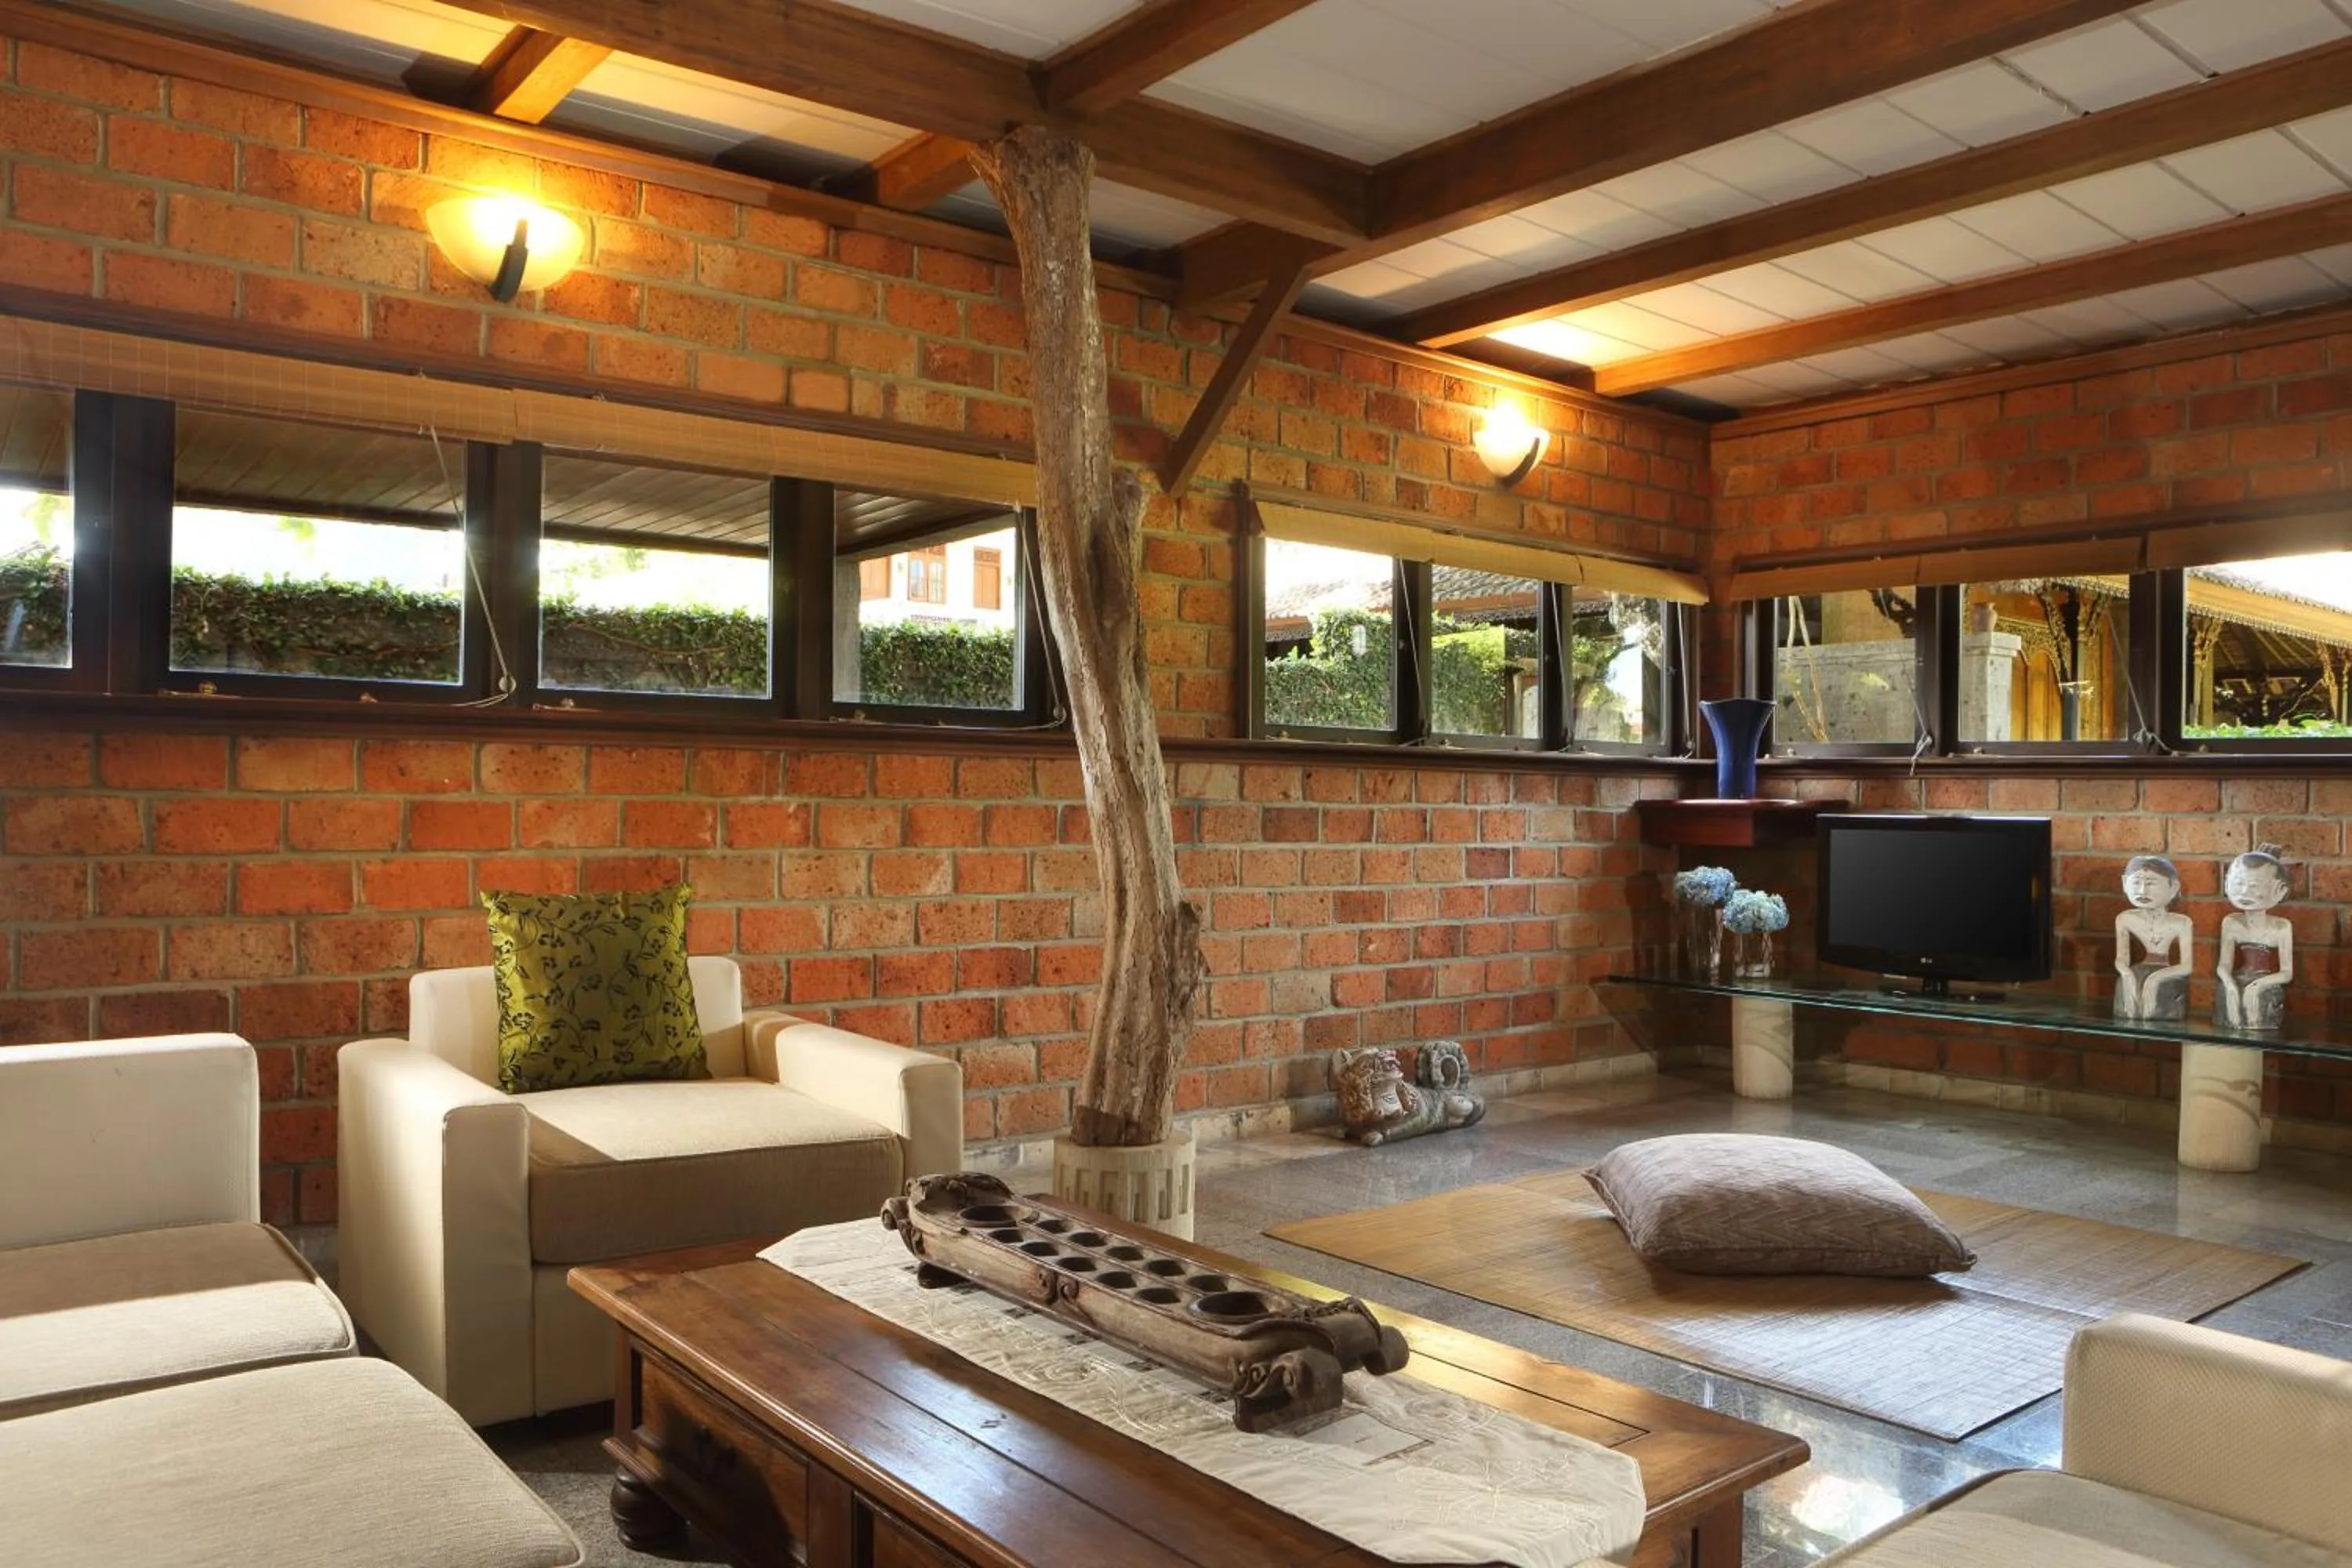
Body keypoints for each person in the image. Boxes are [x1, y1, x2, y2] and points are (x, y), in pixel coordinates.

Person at [2215, 844, 2294, 1032]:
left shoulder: (2282, 927)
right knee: (2225, 993)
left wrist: (2258, 985)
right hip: (2239, 978)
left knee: (2262, 998)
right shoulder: (2231, 923)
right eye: (2239, 884)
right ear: (2227, 884)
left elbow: (2287, 973)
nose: (2244, 892)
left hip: (2266, 982)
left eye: (2254, 886)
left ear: (2280, 890)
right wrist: (2229, 983)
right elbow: (2224, 965)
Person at [2114, 855, 2193, 1021]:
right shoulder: (2125, 919)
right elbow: (2122, 958)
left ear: (2173, 887)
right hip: (2138, 970)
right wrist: (2126, 974)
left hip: (2167, 973)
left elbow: (2186, 967)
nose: (2142, 891)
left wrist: (2156, 978)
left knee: (2164, 987)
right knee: (2127, 983)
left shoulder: (2182, 923)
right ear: (2124, 884)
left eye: (2151, 883)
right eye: (2136, 882)